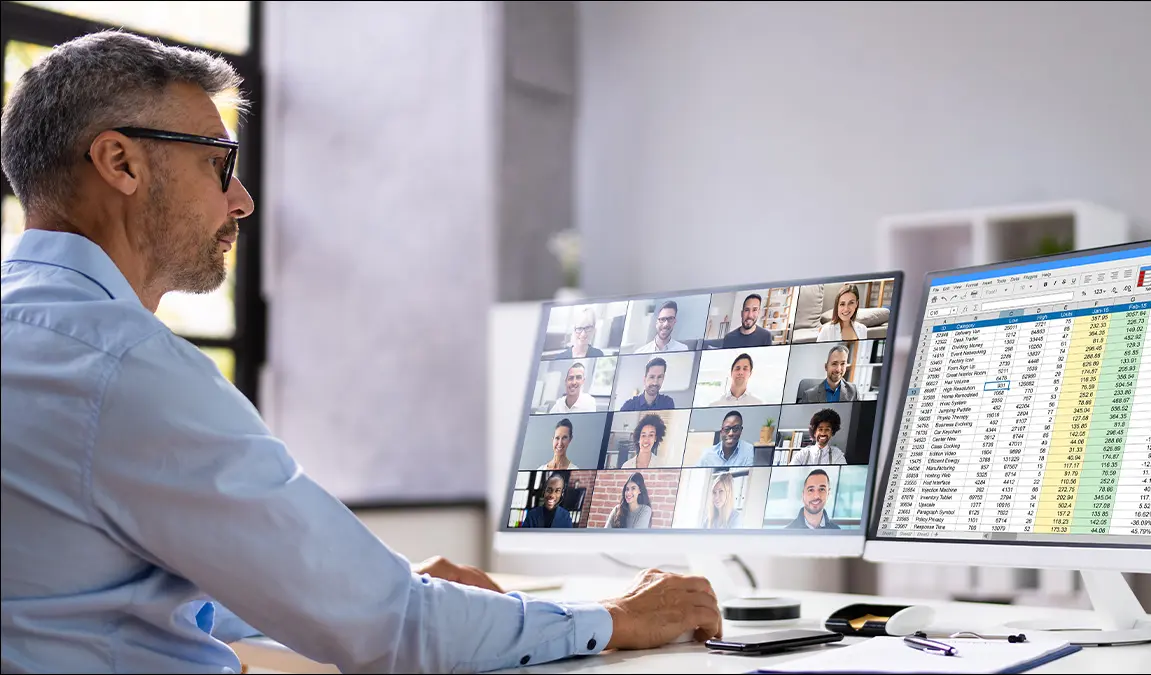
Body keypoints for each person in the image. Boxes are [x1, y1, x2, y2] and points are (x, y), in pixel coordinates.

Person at [0, 31, 721, 673]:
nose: (242, 199)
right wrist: (614, 619)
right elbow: (395, 631)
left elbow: (112, 592)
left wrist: (370, 582)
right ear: (120, 162)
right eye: (221, 163)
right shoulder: (124, 367)